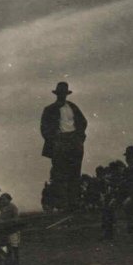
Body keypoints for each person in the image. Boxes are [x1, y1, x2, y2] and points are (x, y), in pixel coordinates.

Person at [40, 82, 88, 211]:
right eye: (61, 93)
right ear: (57, 94)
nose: (62, 96)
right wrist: (54, 139)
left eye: (64, 93)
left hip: (74, 141)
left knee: (75, 173)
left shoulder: (73, 107)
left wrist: (79, 138)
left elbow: (83, 122)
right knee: (60, 174)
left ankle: (74, 203)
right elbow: (44, 128)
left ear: (66, 94)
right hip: (60, 142)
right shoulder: (49, 109)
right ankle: (63, 204)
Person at [0, 193, 20, 265]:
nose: (3, 201)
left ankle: (16, 261)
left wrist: (5, 221)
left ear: (9, 199)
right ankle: (8, 262)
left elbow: (16, 219)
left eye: (4, 199)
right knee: (7, 245)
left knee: (14, 246)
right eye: (2, 199)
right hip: (4, 230)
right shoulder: (1, 206)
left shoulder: (13, 207)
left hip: (12, 229)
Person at [100, 161, 125, 241]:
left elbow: (119, 188)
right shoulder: (112, 177)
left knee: (111, 216)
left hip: (116, 199)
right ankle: (108, 235)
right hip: (110, 199)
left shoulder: (118, 178)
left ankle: (111, 235)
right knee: (107, 216)